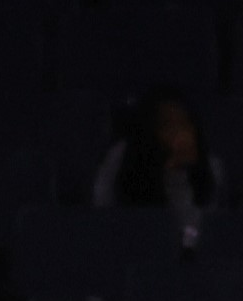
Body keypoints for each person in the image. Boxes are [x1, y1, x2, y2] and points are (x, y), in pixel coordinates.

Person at [94, 88, 227, 222]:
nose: (177, 132)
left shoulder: (211, 166)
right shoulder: (121, 155)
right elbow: (102, 212)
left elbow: (200, 226)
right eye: (167, 124)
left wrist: (179, 178)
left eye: (183, 122)